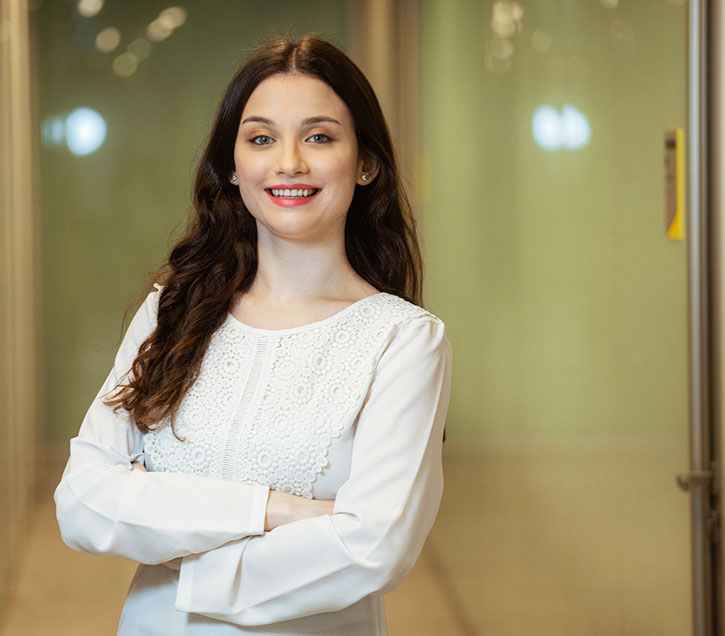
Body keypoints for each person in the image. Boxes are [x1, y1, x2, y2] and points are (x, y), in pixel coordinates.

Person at [53, 35, 452, 635]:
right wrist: (276, 511)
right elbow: (82, 504)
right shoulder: (173, 311)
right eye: (261, 138)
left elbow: (375, 547)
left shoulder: (403, 340)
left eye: (319, 136)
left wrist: (186, 564)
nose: (288, 162)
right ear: (233, 168)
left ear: (366, 162)